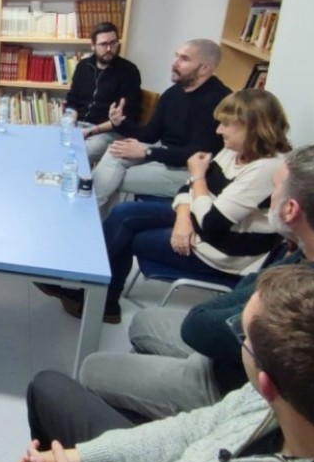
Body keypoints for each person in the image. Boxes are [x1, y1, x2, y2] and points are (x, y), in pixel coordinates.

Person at [71, 144, 314, 423]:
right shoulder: (300, 251)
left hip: (228, 387)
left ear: (291, 209)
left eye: (275, 190)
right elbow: (244, 295)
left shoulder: (302, 293)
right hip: (229, 350)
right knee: (144, 320)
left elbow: (198, 328)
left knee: (92, 368)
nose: (269, 198)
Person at [19, 263, 314, 462]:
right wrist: (77, 457)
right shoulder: (262, 399)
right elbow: (189, 430)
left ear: (267, 383)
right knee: (48, 387)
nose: (239, 339)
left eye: (243, 337)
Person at [39, 89, 292, 324]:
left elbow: (212, 222)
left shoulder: (265, 169)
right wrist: (183, 216)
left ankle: (100, 300)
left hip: (221, 252)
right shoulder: (235, 150)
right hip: (196, 221)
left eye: (226, 124)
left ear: (252, 128)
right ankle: (94, 292)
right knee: (123, 213)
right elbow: (187, 187)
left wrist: (199, 178)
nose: (218, 131)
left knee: (130, 236)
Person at [92, 38, 231, 214]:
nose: (174, 63)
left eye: (184, 59)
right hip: (165, 156)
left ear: (205, 68)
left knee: (113, 179)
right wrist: (120, 123)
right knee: (115, 151)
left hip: (191, 172)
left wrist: (148, 152)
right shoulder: (173, 93)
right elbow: (150, 134)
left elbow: (198, 155)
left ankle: (88, 218)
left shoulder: (218, 101)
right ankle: (94, 222)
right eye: (176, 56)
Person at [65, 21, 142, 163]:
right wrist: (70, 121)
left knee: (77, 154)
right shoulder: (83, 66)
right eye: (103, 44)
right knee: (46, 140)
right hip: (77, 124)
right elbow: (72, 100)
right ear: (93, 46)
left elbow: (126, 116)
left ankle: (77, 183)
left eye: (113, 43)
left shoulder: (129, 71)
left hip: (107, 131)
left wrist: (90, 131)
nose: (109, 48)